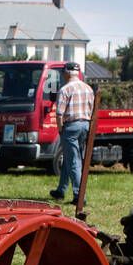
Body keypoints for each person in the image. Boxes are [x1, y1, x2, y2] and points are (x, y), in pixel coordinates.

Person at [50, 62, 94, 204]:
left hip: (71, 126)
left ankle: (78, 196)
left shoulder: (65, 89)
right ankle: (61, 190)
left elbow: (59, 114)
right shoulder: (88, 88)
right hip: (85, 125)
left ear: (67, 73)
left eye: (63, 72)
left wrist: (60, 129)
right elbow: (92, 110)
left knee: (73, 160)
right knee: (71, 157)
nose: (62, 75)